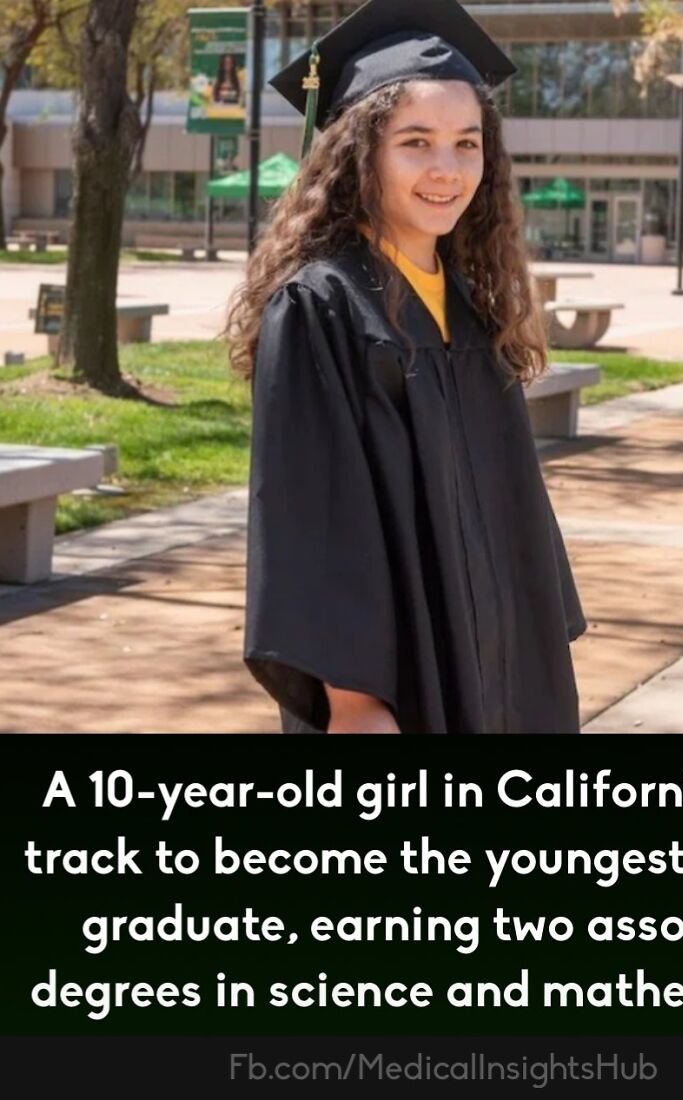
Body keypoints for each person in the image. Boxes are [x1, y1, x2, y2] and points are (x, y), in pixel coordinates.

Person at [227, 0, 587, 734]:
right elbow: (312, 519)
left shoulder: (470, 308)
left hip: (500, 670)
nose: (446, 170)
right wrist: (355, 703)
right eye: (415, 142)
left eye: (467, 143)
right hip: (396, 682)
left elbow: (515, 509)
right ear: (360, 152)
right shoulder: (321, 306)